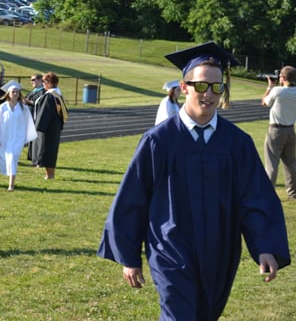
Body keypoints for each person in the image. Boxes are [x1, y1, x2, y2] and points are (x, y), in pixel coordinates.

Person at [97, 42, 291, 320]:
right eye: (200, 86)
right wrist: (129, 255)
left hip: (220, 251)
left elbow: (254, 197)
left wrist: (265, 247)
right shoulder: (158, 141)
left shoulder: (237, 143)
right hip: (170, 248)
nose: (208, 94)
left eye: (216, 87)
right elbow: (133, 198)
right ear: (184, 87)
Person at [0, 80, 37, 191]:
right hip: (5, 138)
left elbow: (28, 123)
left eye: (17, 92)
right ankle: (10, 178)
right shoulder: (2, 107)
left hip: (17, 138)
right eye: (13, 91)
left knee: (12, 158)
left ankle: (11, 185)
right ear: (8, 93)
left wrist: (26, 137)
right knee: (6, 159)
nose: (15, 94)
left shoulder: (24, 108)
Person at [261, 65, 296, 199]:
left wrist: (269, 87)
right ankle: (293, 193)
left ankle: (268, 193)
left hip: (276, 131)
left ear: (283, 77)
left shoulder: (277, 91)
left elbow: (264, 102)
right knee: (291, 163)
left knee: (271, 164)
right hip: (290, 130)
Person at [34, 72, 68, 179]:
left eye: (44, 81)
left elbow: (45, 112)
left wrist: (39, 127)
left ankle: (49, 175)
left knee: (47, 151)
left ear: (49, 83)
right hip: (55, 127)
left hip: (48, 128)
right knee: (51, 151)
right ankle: (50, 174)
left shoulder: (50, 96)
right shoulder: (57, 94)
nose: (43, 83)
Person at [24, 74, 45, 166]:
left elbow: (40, 104)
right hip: (30, 118)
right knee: (31, 140)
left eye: (33, 79)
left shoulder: (43, 92)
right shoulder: (32, 92)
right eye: (31, 80)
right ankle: (33, 159)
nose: (32, 81)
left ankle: (37, 161)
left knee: (37, 140)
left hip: (37, 118)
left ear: (40, 80)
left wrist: (29, 102)